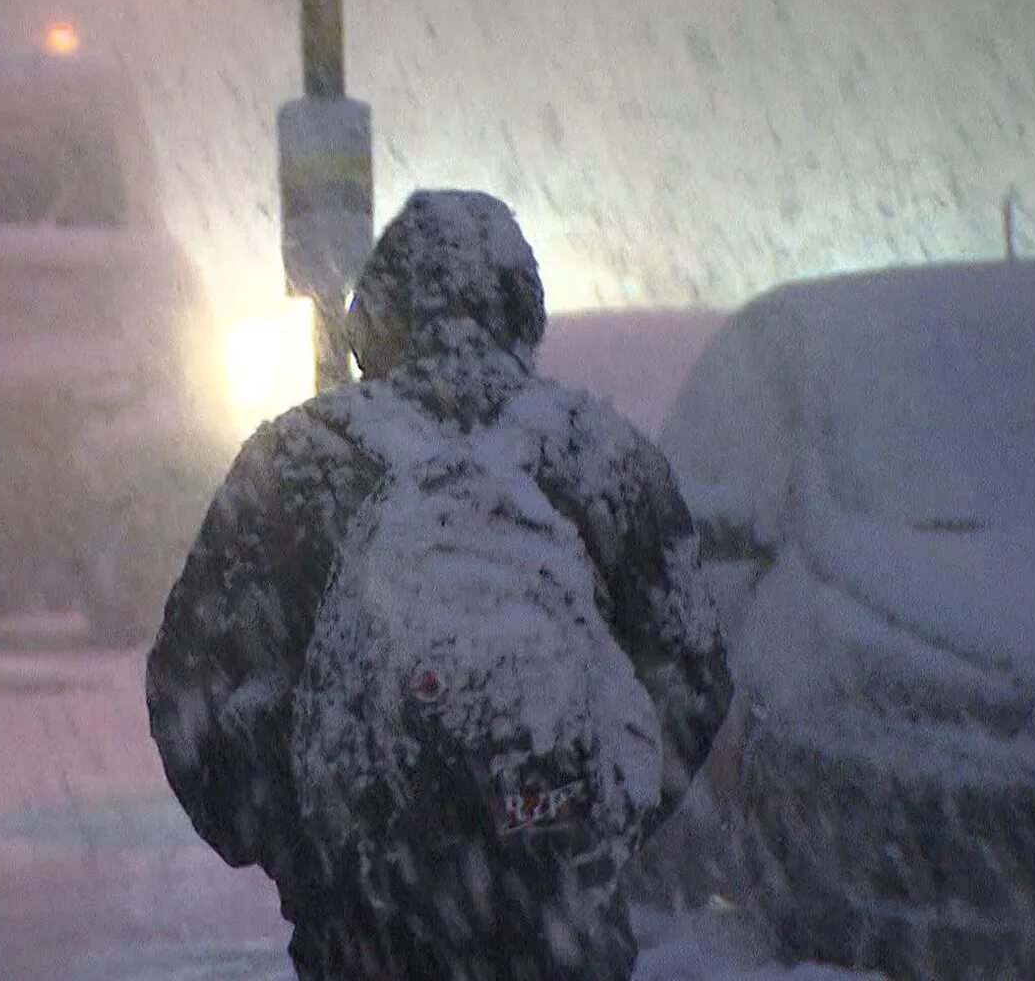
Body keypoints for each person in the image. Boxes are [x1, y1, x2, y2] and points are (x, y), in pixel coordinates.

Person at [146, 190, 732, 980]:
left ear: (373, 320)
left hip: (367, 927)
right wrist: (594, 821)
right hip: (559, 924)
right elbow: (691, 668)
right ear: (524, 311)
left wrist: (299, 846)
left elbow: (192, 689)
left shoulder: (296, 463)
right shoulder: (601, 457)